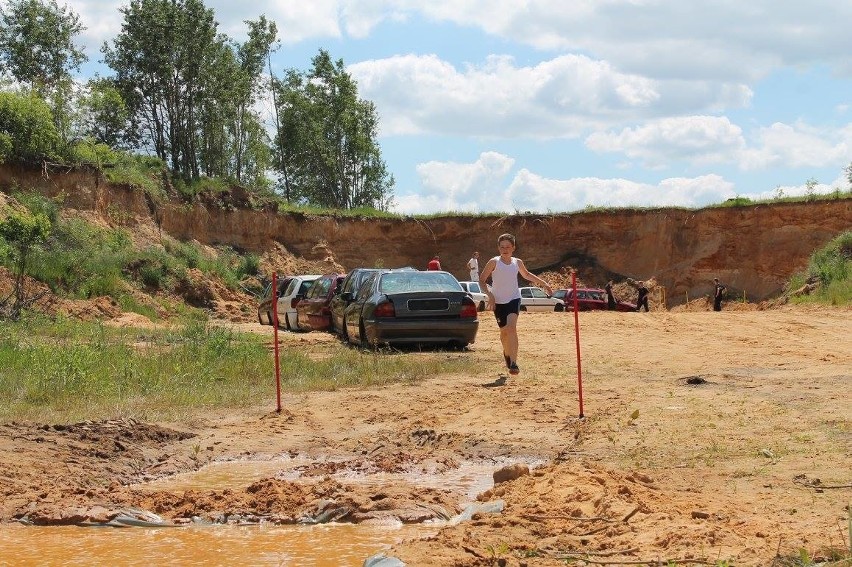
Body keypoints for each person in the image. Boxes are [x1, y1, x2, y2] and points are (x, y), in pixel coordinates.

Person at [479, 233, 552, 376]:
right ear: (498, 248)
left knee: (511, 328)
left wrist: (544, 284)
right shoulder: (493, 262)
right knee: (504, 332)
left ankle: (513, 363)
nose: (505, 249)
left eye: (508, 246)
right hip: (498, 301)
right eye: (502, 247)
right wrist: (490, 296)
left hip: (514, 298)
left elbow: (527, 275)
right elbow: (482, 280)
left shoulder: (517, 262)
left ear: (513, 248)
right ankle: (507, 353)